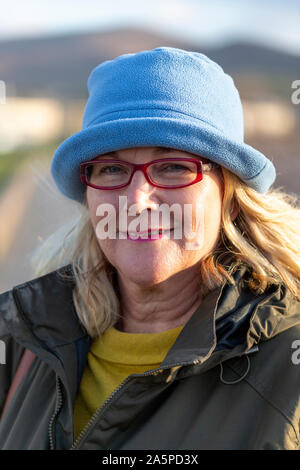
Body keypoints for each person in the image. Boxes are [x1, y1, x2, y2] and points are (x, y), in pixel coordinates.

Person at [0, 47, 299, 450]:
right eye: (112, 169)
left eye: (173, 166)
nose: (137, 200)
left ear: (229, 191)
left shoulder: (288, 373)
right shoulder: (22, 341)